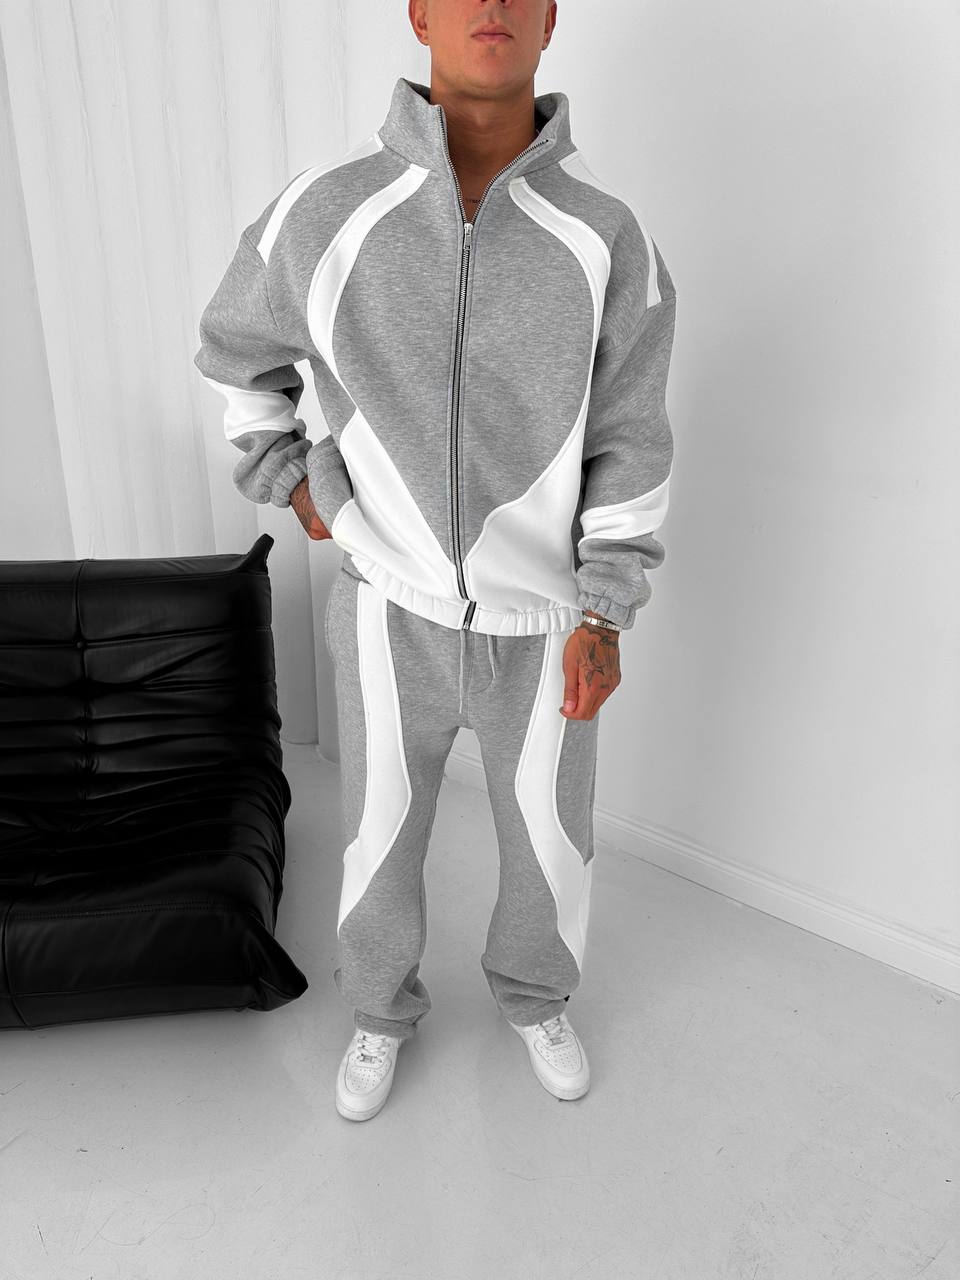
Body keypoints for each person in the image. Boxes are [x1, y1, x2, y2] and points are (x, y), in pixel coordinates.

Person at [193, 0, 676, 1121]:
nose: (491, 7)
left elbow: (631, 439)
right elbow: (235, 355)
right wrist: (294, 479)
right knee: (378, 831)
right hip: (387, 607)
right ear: (419, 11)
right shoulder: (325, 210)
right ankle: (376, 1010)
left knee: (550, 841)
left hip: (546, 622)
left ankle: (536, 997)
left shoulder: (608, 239)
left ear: (550, 20)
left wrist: (606, 611)